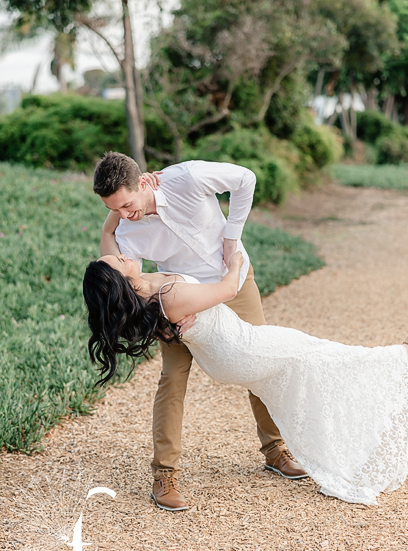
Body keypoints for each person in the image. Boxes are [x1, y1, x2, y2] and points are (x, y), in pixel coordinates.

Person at [82, 250, 408, 505]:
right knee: (315, 352)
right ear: (121, 281)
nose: (126, 254)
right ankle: (390, 358)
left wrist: (112, 220)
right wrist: (234, 260)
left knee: (302, 365)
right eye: (121, 260)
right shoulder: (168, 296)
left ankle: (283, 449)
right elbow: (228, 289)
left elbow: (108, 254)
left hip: (228, 349)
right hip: (239, 348)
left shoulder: (138, 289)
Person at [93, 152, 305, 511]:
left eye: (128, 205)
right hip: (183, 302)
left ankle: (275, 450)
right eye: (117, 210)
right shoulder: (127, 229)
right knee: (172, 377)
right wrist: (164, 319)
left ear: (144, 181)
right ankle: (164, 475)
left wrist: (231, 236)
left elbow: (245, 179)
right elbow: (131, 287)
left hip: (234, 280)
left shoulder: (186, 178)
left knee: (261, 360)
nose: (126, 215)